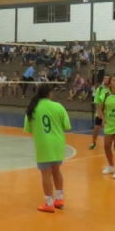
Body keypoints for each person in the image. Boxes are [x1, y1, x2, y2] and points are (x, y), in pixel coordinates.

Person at [24, 84, 71, 213]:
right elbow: (66, 126)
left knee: (46, 174)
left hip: (43, 144)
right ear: (49, 93)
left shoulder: (32, 109)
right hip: (58, 143)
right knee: (57, 171)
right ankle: (59, 199)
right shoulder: (58, 106)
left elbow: (28, 129)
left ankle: (49, 203)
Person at [88, 74, 111, 150]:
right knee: (96, 128)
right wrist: (99, 113)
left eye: (108, 78)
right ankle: (93, 142)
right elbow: (96, 102)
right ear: (103, 80)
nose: (106, 79)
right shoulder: (99, 89)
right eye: (105, 78)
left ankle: (114, 143)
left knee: (112, 129)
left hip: (109, 113)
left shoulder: (111, 89)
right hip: (100, 112)